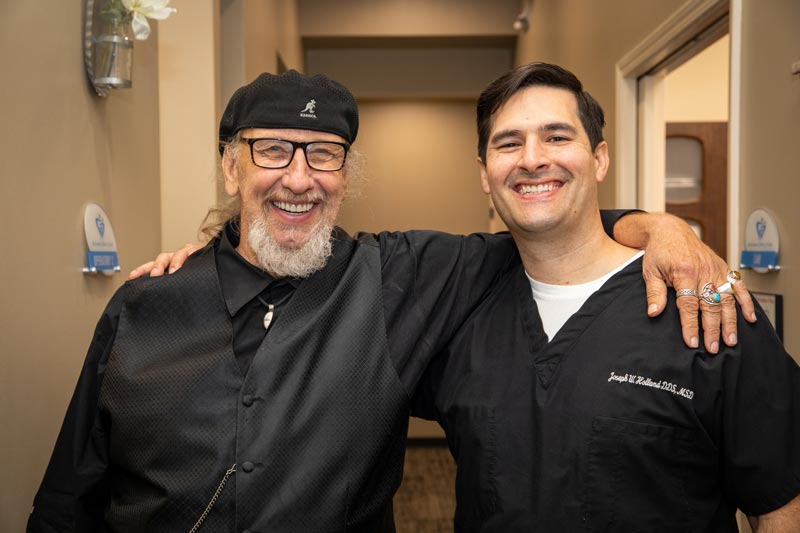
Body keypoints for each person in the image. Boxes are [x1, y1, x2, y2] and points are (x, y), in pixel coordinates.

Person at [29, 70, 752, 532]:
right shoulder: (141, 307)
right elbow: (67, 501)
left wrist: (659, 227)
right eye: (273, 150)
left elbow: (550, 221)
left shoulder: (403, 277)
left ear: (346, 173)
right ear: (230, 165)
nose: (299, 178)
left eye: (324, 154)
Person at [412, 62, 800, 531]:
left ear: (599, 159)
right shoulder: (461, 304)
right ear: (484, 172)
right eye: (509, 142)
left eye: (557, 137)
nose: (532, 159)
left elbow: (780, 502)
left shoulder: (706, 300)